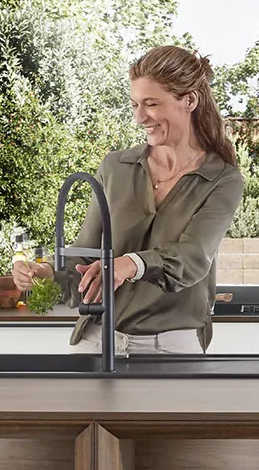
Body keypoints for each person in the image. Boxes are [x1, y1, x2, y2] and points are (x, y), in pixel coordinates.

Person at [58, 45, 246, 354]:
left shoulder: (221, 179)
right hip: (98, 340)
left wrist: (129, 265)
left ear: (189, 101)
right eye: (134, 105)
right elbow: (86, 254)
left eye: (151, 103)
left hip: (173, 347)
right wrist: (45, 274)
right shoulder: (115, 167)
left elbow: (192, 257)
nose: (139, 117)